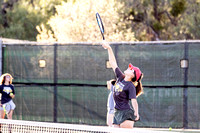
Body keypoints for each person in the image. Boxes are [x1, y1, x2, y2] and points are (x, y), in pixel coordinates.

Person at [102, 42, 143, 128]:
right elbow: (113, 62)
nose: (129, 68)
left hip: (126, 114)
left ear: (133, 76)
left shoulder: (130, 85)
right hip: (117, 113)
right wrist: (109, 48)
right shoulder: (120, 77)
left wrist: (136, 112)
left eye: (131, 69)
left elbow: (134, 100)